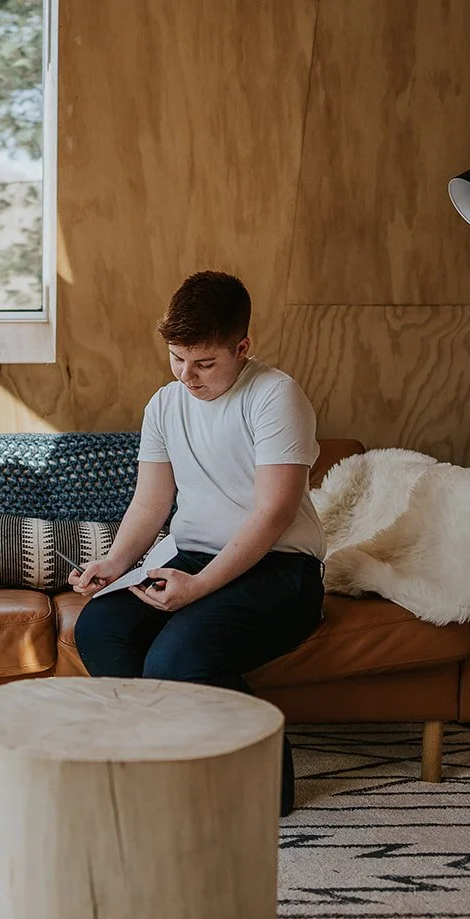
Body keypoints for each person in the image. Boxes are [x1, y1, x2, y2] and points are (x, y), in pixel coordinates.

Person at [71, 270, 325, 693]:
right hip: (191, 556)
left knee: (175, 661)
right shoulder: (164, 404)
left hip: (281, 569)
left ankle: (256, 760)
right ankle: (163, 755)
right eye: (176, 357)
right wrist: (114, 564)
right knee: (100, 628)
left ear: (242, 348)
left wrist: (200, 587)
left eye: (204, 363)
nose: (186, 376)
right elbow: (152, 502)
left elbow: (275, 511)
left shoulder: (275, 396)